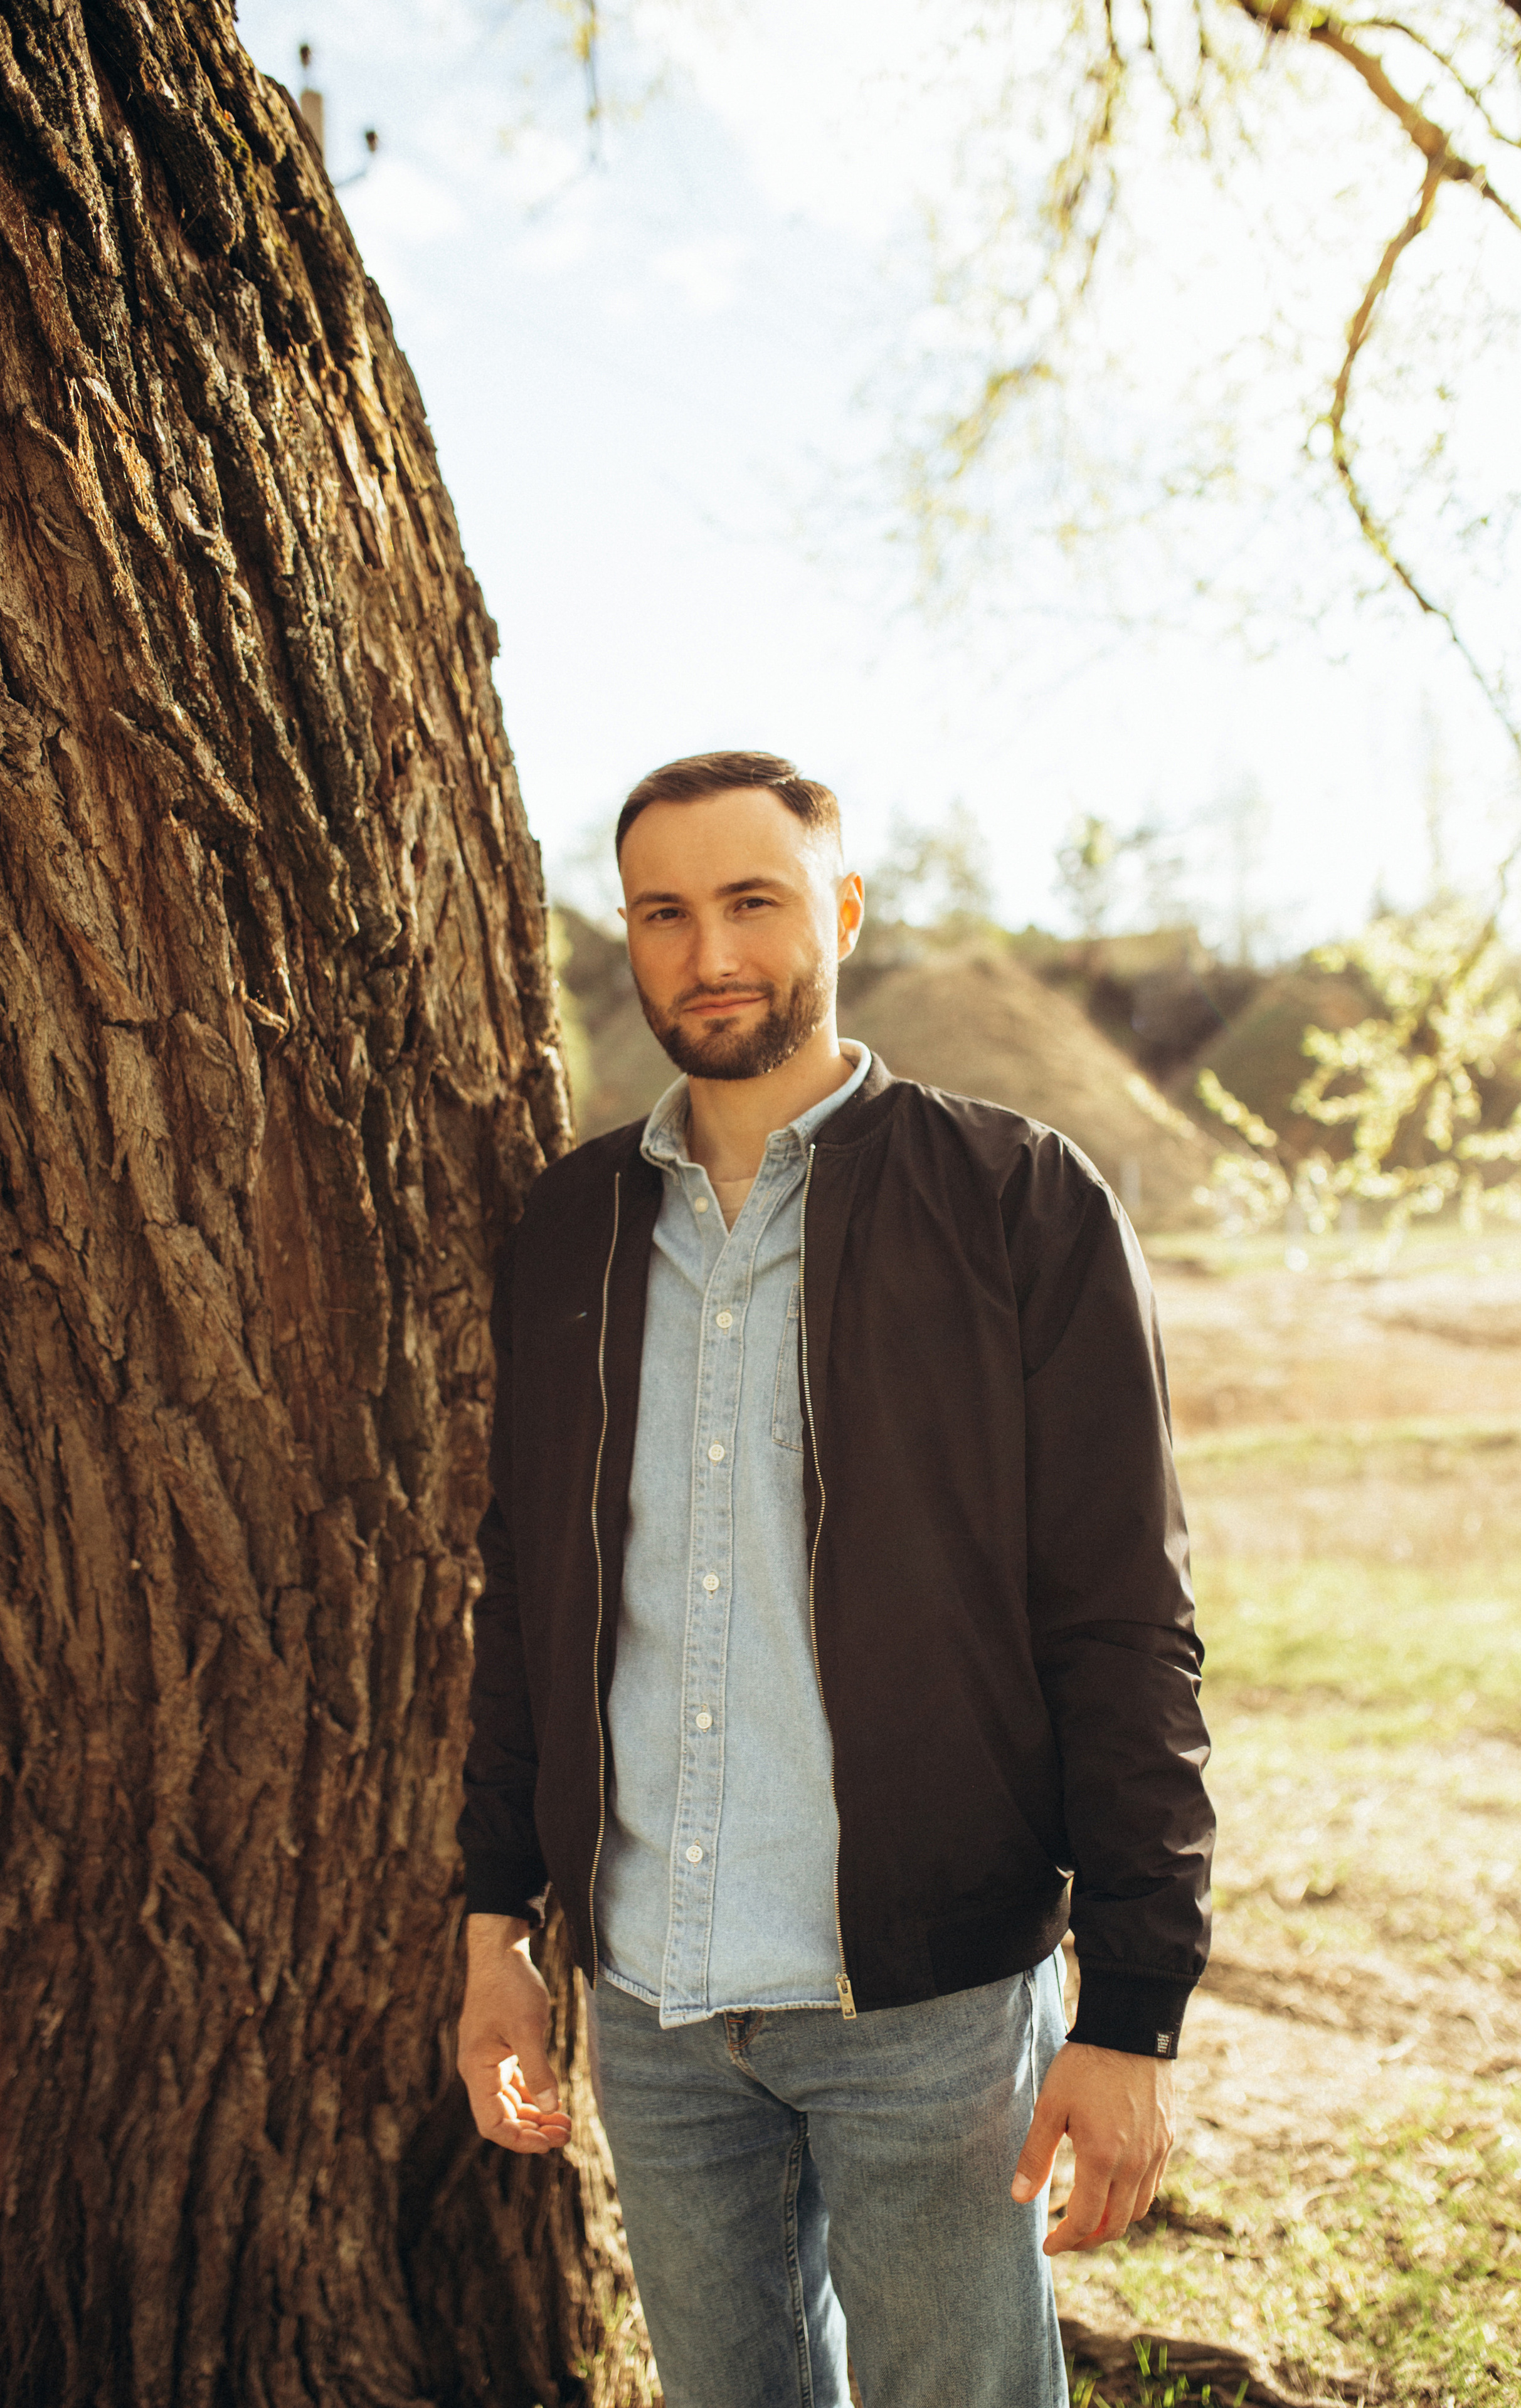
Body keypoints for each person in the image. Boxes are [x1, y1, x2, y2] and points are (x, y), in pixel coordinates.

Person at [455, 751, 1214, 2408]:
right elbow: (531, 1602)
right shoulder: (573, 1230)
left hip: (927, 2010)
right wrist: (494, 1919)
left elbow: (1122, 1623)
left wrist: (1135, 2010)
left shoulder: (1019, 1203)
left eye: (753, 901)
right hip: (649, 2000)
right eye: (664, 912)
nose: (706, 950)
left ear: (841, 913)